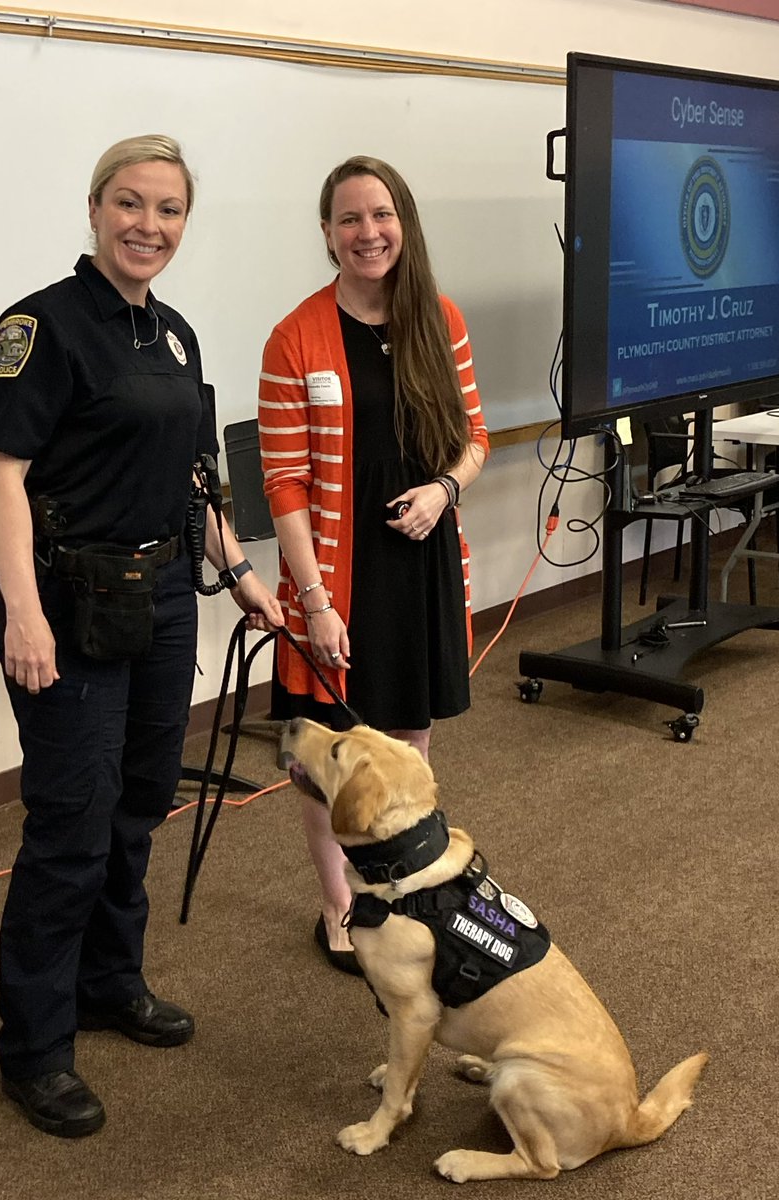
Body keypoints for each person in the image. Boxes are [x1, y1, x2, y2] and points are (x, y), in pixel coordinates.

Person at [0, 134, 282, 1138]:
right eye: (129, 203)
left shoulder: (178, 334)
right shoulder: (41, 326)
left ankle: (112, 981)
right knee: (70, 825)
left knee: (140, 803)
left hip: (157, 603)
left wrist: (237, 572)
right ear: (96, 208)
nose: (148, 224)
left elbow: (199, 476)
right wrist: (21, 611)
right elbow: (3, 475)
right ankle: (36, 1047)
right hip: (64, 605)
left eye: (168, 209)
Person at [258, 155, 488, 974]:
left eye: (380, 215)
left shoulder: (440, 318)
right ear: (327, 234)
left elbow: (473, 438)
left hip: (417, 565)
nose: (368, 232)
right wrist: (314, 602)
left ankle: (399, 888)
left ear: (403, 224)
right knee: (327, 750)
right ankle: (339, 903)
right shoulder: (296, 336)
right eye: (349, 219)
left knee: (408, 736)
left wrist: (442, 491)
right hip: (334, 575)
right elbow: (281, 482)